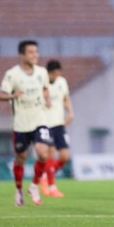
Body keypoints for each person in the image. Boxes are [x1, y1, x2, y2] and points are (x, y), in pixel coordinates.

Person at [0, 40, 52, 206]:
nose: (35, 55)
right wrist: (13, 96)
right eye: (31, 52)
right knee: (21, 157)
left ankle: (34, 185)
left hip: (39, 119)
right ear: (21, 55)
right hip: (21, 122)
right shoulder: (12, 74)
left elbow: (45, 87)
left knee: (43, 153)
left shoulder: (42, 72)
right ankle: (19, 190)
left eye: (36, 52)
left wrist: (47, 98)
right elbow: (1, 95)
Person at [39, 59, 74, 198]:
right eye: (54, 73)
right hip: (46, 124)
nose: (56, 76)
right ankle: (52, 186)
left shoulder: (62, 82)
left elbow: (65, 98)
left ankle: (45, 176)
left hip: (59, 123)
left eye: (58, 73)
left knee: (64, 156)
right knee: (50, 153)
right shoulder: (42, 82)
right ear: (49, 73)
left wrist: (71, 112)